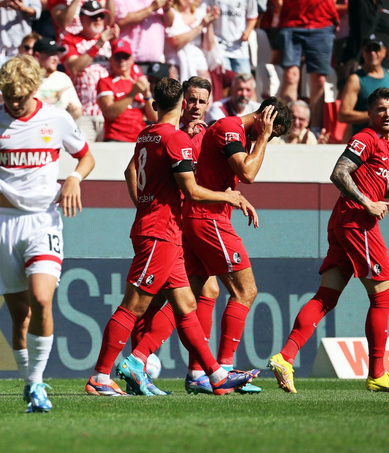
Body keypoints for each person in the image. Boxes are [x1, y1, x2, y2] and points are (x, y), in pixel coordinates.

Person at [87, 77, 259, 398]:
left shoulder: (146, 134)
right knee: (133, 306)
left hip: (166, 231)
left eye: (201, 101)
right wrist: (228, 196)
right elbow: (191, 190)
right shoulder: (176, 138)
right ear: (181, 104)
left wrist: (144, 204)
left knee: (187, 304)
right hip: (160, 233)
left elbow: (132, 171)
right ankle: (101, 376)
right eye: (190, 101)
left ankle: (215, 375)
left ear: (154, 105)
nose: (194, 107)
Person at [0, 55, 95, 411]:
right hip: (4, 222)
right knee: (20, 315)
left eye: (20, 97)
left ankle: (38, 382)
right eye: (9, 97)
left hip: (44, 220)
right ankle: (30, 384)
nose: (14, 103)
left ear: (33, 89)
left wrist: (74, 177)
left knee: (42, 299)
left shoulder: (56, 119)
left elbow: (86, 157)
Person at [269, 87, 389, 394]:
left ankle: (285, 357)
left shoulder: (386, 147)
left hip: (344, 223)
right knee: (383, 297)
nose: (387, 114)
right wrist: (367, 203)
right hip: (357, 223)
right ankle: (378, 373)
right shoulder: (367, 138)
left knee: (326, 297)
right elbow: (339, 172)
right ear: (369, 113)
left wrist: (377, 199)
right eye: (380, 109)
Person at [181, 97, 292, 394]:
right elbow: (248, 173)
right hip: (209, 219)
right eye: (271, 131)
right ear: (265, 116)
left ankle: (195, 373)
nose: (267, 138)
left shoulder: (235, 133)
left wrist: (238, 197)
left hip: (203, 216)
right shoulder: (230, 128)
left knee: (194, 295)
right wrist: (264, 137)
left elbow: (225, 177)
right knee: (245, 291)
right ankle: (225, 370)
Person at [264, 0, 338, 129]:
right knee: (290, 76)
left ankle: (314, 129)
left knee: (319, 80)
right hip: (292, 23)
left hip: (321, 24)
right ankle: (286, 129)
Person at [61, 0, 118, 141]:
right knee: (84, 151)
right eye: (93, 16)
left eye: (101, 16)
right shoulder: (70, 40)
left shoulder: (109, 40)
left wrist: (116, 44)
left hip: (107, 112)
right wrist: (98, 45)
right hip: (83, 112)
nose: (98, 19)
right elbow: (73, 68)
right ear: (81, 18)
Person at [202, 0, 258, 74]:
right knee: (224, 81)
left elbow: (252, 16)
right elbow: (202, 12)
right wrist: (211, 17)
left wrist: (247, 32)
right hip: (219, 47)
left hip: (240, 48)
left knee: (244, 80)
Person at [96, 38, 156, 142]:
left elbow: (154, 117)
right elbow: (110, 113)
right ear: (111, 59)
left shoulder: (138, 82)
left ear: (132, 59)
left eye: (125, 57)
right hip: (115, 139)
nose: (122, 61)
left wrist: (147, 94)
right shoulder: (105, 82)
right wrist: (132, 93)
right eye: (117, 57)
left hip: (138, 139)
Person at [165, 0, 217, 82]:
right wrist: (201, 26)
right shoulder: (171, 15)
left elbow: (208, 47)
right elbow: (174, 41)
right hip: (176, 65)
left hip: (199, 65)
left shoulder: (199, 15)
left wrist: (209, 24)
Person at [340, 36, 389, 133]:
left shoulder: (388, 74)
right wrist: (374, 114)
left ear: (384, 52)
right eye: (368, 49)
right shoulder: (355, 79)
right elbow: (343, 115)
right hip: (365, 137)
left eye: (376, 49)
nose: (372, 53)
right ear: (363, 52)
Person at [33, 37, 81, 118]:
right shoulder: (29, 79)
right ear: (37, 56)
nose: (55, 58)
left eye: (57, 54)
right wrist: (54, 99)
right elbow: (28, 107)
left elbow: (78, 111)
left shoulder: (63, 78)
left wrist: (72, 111)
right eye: (50, 54)